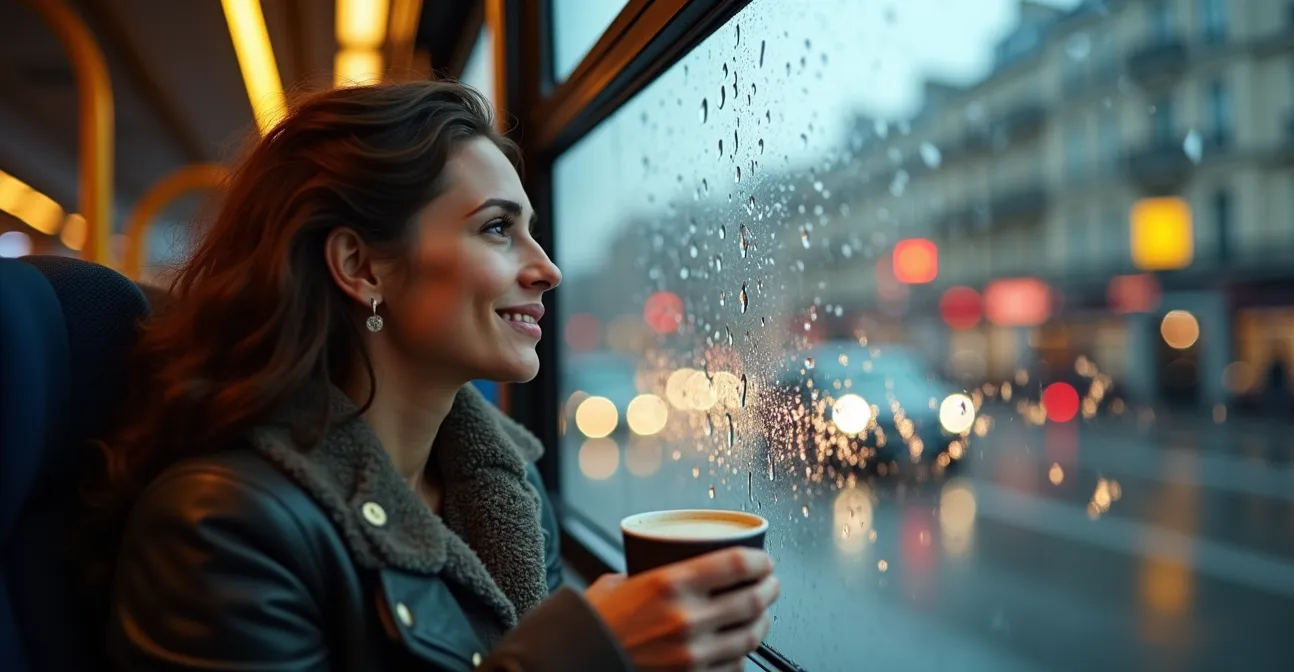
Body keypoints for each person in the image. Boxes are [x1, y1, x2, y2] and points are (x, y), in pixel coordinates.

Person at [93, 81, 780, 671]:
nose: (547, 268)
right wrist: (585, 654)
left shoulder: (504, 490)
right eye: (495, 230)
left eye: (531, 230)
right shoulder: (218, 528)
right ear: (361, 268)